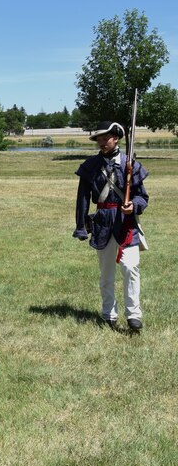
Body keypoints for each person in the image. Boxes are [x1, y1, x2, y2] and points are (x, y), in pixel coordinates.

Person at [73, 121, 149, 332]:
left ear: (116, 138)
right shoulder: (90, 166)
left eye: (105, 137)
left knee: (130, 267)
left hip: (127, 223)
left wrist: (133, 205)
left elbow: (143, 197)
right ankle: (109, 314)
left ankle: (134, 315)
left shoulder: (129, 164)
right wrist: (81, 226)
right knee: (106, 274)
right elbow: (82, 199)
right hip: (103, 222)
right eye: (98, 138)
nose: (101, 142)